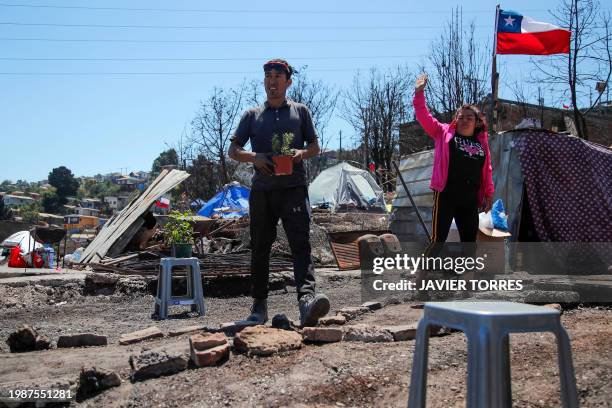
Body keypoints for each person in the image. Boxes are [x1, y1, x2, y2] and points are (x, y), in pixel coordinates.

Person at [228, 58, 330, 327]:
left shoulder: (300, 112)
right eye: (268, 77)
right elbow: (233, 150)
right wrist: (255, 158)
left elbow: (315, 146)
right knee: (260, 249)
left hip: (294, 189)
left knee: (301, 246)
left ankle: (307, 302)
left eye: (278, 77)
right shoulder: (252, 115)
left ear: (288, 82)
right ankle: (258, 308)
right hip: (262, 192)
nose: (272, 81)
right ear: (264, 81)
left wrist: (301, 152)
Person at [413, 73, 494, 266]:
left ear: (476, 123)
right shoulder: (443, 132)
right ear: (456, 120)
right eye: (461, 117)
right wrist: (419, 93)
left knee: (469, 243)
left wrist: (489, 193)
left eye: (470, 118)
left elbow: (487, 169)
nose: (465, 120)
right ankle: (421, 276)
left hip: (470, 198)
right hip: (447, 194)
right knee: (438, 240)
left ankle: (467, 281)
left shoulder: (481, 142)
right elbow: (423, 116)